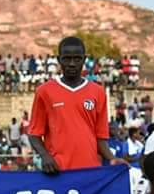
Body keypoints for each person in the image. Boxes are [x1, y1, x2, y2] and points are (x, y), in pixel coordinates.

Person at [28, 36, 127, 174]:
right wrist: (45, 156)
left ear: (84, 60)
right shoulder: (44, 91)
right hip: (58, 171)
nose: (72, 63)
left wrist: (112, 159)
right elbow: (34, 134)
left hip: (90, 172)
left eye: (77, 58)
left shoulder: (97, 92)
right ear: (59, 60)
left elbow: (100, 138)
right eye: (67, 59)